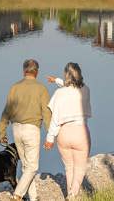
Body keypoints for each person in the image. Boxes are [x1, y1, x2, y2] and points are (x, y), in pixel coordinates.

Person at [0, 59, 51, 201]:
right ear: (37, 72)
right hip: (31, 129)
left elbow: (7, 111)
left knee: (26, 166)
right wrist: (50, 134)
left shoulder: (14, 87)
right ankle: (18, 194)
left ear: (24, 71)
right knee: (32, 167)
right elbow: (46, 112)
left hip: (16, 129)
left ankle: (33, 197)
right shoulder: (41, 88)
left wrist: (2, 132)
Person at [44, 62, 92, 200]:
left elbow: (55, 118)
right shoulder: (86, 90)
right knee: (80, 167)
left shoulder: (59, 93)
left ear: (66, 75)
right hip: (80, 132)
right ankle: (73, 194)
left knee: (69, 167)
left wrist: (49, 138)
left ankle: (70, 193)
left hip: (63, 134)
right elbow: (73, 90)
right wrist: (58, 81)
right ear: (80, 74)